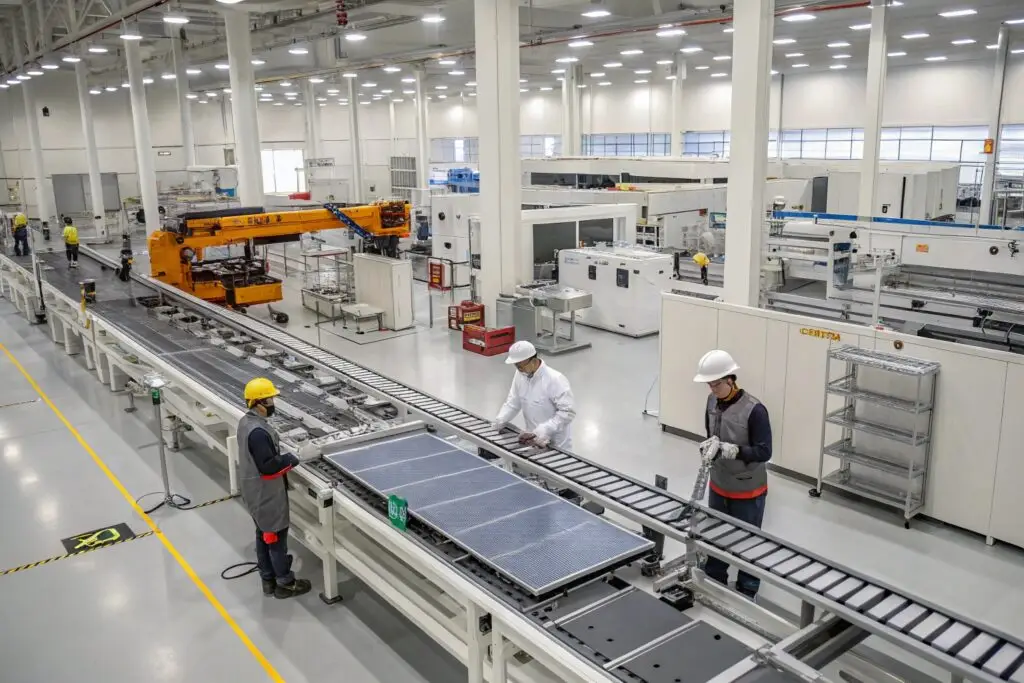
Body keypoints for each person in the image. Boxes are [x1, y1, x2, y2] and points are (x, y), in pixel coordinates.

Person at [694, 349, 772, 599]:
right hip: (719, 483)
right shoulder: (711, 401)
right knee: (717, 534)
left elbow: (764, 451)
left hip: (748, 489)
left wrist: (734, 450)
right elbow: (711, 433)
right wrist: (710, 447)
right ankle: (715, 576)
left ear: (730, 380)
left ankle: (748, 587)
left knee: (747, 540)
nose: (712, 389)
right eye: (709, 384)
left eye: (716, 384)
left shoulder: (755, 410)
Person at [238, 377, 312, 599]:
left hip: (253, 491)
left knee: (264, 534)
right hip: (267, 495)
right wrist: (294, 458)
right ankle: (285, 583)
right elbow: (269, 467)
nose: (272, 403)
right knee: (276, 539)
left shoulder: (246, 422)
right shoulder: (259, 433)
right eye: (269, 399)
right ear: (258, 403)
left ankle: (267, 578)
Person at [493, 341, 576, 449]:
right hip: (533, 441)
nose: (519, 369)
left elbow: (568, 412)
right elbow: (513, 402)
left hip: (557, 445)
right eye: (517, 366)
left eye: (521, 366)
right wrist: (500, 420)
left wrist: (546, 429)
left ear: (533, 361)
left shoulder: (555, 379)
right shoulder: (520, 374)